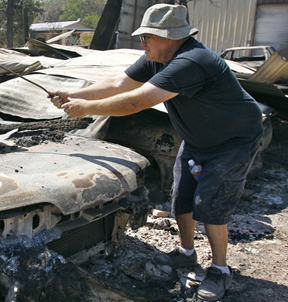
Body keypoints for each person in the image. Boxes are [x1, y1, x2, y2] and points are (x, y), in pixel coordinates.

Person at [49, 3, 263, 301]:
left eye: (147, 36)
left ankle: (219, 270)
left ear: (169, 36)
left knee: (210, 204)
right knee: (182, 198)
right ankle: (187, 253)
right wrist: (73, 95)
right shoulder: (156, 57)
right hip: (197, 138)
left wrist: (85, 110)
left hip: (233, 140)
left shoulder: (192, 60)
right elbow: (118, 84)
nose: (142, 42)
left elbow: (136, 102)